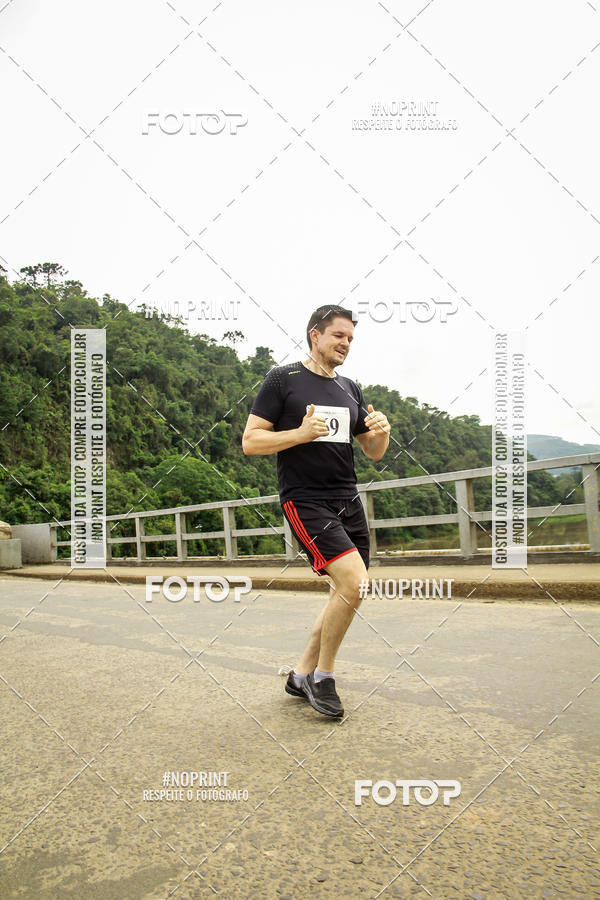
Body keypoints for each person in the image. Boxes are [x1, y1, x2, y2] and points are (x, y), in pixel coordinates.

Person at [241, 305, 391, 717]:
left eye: (350, 339)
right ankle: (324, 678)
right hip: (304, 499)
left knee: (344, 590)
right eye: (338, 336)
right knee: (355, 583)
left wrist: (382, 434)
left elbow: (372, 453)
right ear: (315, 335)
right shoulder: (283, 379)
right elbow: (251, 441)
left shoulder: (349, 388)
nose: (345, 344)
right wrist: (302, 433)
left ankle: (300, 673)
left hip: (347, 498)